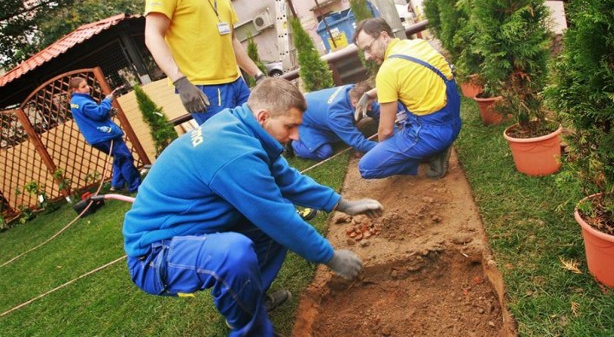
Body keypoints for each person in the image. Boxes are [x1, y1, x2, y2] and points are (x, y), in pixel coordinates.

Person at [122, 78, 383, 337]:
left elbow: (287, 179)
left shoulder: (240, 128)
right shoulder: (233, 153)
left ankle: (247, 302)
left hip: (188, 231)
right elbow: (277, 218)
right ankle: (250, 329)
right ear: (262, 117)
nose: (295, 136)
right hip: (156, 254)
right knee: (233, 253)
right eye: (290, 126)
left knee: (266, 230)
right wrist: (331, 257)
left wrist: (343, 204)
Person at [353, 17, 462, 180]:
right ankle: (432, 149)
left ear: (384, 36)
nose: (367, 56)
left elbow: (385, 130)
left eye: (368, 48)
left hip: (431, 133)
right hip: (452, 121)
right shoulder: (416, 44)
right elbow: (405, 80)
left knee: (366, 168)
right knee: (399, 102)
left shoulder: (387, 71)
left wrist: (387, 154)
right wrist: (369, 94)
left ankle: (432, 158)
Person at [69, 77, 141, 192]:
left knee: (119, 158)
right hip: (105, 135)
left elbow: (92, 118)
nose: (87, 88)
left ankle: (117, 183)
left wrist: (108, 114)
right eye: (83, 87)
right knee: (126, 158)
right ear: (75, 90)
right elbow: (99, 113)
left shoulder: (74, 102)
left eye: (87, 85)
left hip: (96, 138)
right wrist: (107, 100)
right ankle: (135, 186)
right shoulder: (83, 102)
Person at [292, 82, 380, 160]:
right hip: (304, 119)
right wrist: (382, 148)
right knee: (325, 152)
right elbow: (357, 142)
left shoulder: (355, 91)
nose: (370, 108)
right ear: (354, 103)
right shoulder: (337, 115)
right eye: (367, 106)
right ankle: (296, 145)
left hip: (318, 110)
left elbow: (378, 111)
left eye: (370, 104)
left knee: (339, 132)